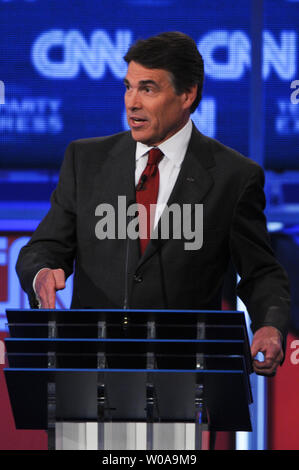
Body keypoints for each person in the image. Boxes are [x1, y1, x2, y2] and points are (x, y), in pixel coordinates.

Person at [16, 31, 290, 377]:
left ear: (187, 95)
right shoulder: (86, 161)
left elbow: (261, 272)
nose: (132, 102)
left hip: (185, 374)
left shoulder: (233, 177)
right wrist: (41, 273)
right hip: (89, 369)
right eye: (128, 87)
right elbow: (45, 247)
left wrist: (269, 325)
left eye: (148, 89)